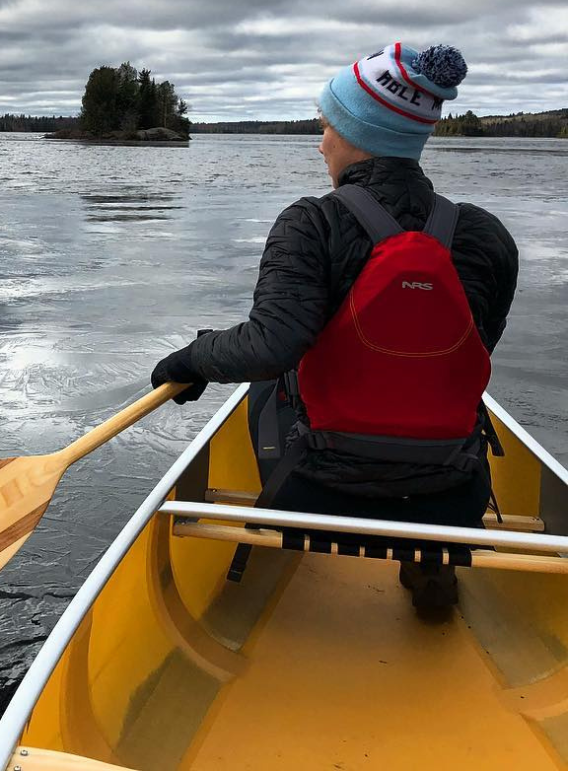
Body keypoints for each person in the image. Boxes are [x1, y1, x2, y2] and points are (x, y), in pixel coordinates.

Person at [150, 43, 518, 607]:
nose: (321, 142)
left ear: (357, 134)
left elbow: (270, 347)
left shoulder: (311, 222)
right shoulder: (487, 235)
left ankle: (276, 547)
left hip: (315, 493)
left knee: (273, 374)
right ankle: (431, 562)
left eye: (327, 126)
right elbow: (475, 352)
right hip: (451, 499)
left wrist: (193, 357)